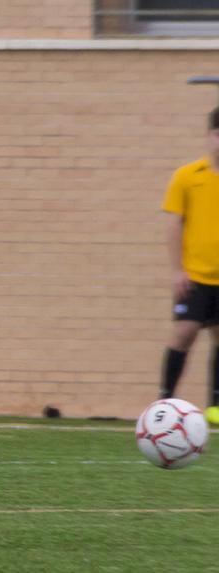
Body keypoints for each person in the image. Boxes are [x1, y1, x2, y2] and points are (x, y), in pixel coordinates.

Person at [159, 105, 219, 425]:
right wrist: (178, 270)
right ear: (210, 136)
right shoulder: (187, 176)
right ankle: (164, 401)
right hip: (194, 276)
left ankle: (216, 406)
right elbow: (174, 224)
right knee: (185, 331)